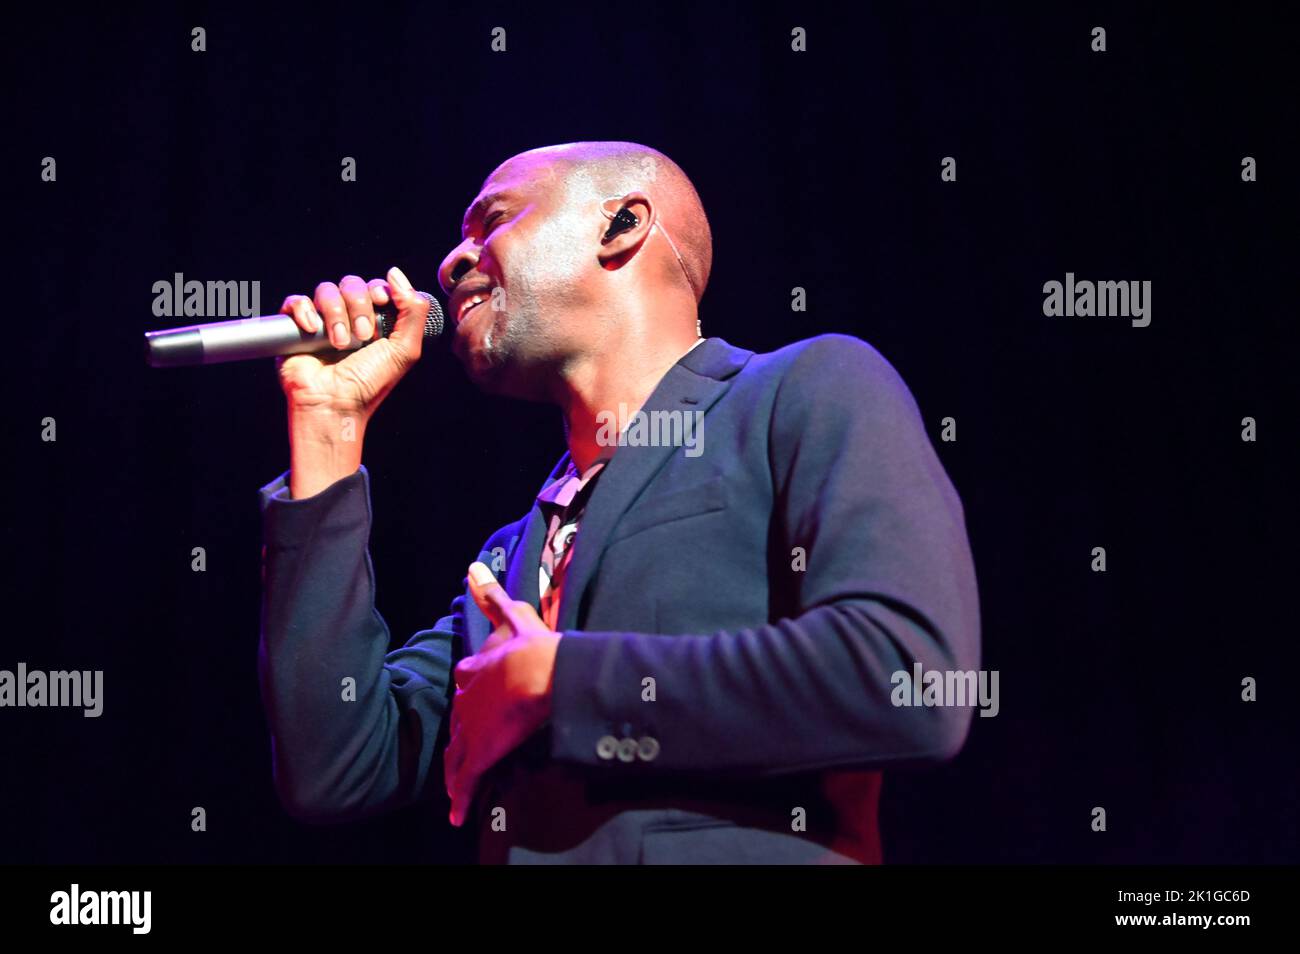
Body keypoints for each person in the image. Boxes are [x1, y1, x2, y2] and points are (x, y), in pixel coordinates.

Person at [258, 141, 980, 864]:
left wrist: (562, 683)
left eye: (492, 221)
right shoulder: (512, 555)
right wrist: (328, 427)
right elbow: (339, 768)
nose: (450, 261)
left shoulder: (804, 392)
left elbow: (909, 678)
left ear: (623, 225)